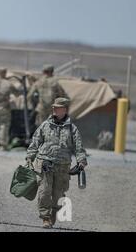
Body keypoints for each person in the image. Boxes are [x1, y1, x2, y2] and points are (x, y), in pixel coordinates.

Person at [25, 97, 87, 228]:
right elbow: (35, 141)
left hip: (63, 167)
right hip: (45, 163)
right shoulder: (45, 125)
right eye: (54, 107)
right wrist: (30, 157)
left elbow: (78, 147)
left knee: (59, 193)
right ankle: (45, 217)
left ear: (64, 110)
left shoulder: (72, 128)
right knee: (44, 191)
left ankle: (54, 211)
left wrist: (81, 161)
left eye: (57, 107)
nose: (54, 109)